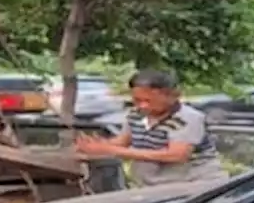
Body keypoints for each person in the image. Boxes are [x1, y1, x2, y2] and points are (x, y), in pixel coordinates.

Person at [75, 70, 225, 187]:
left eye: (149, 101)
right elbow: (123, 142)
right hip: (152, 186)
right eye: (137, 100)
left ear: (171, 96)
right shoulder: (135, 114)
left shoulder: (188, 118)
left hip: (193, 185)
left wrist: (113, 151)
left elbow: (177, 155)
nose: (142, 105)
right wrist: (97, 146)